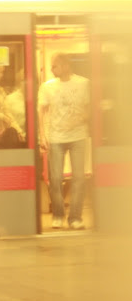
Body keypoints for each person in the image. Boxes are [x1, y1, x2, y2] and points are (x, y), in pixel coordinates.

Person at [38, 53, 90, 230]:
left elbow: (89, 108)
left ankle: (75, 217)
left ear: (66, 66)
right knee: (55, 178)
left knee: (79, 178)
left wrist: (84, 117)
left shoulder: (83, 84)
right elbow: (41, 110)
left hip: (78, 136)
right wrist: (42, 135)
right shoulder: (47, 87)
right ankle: (58, 214)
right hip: (56, 137)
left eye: (55, 66)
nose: (52, 69)